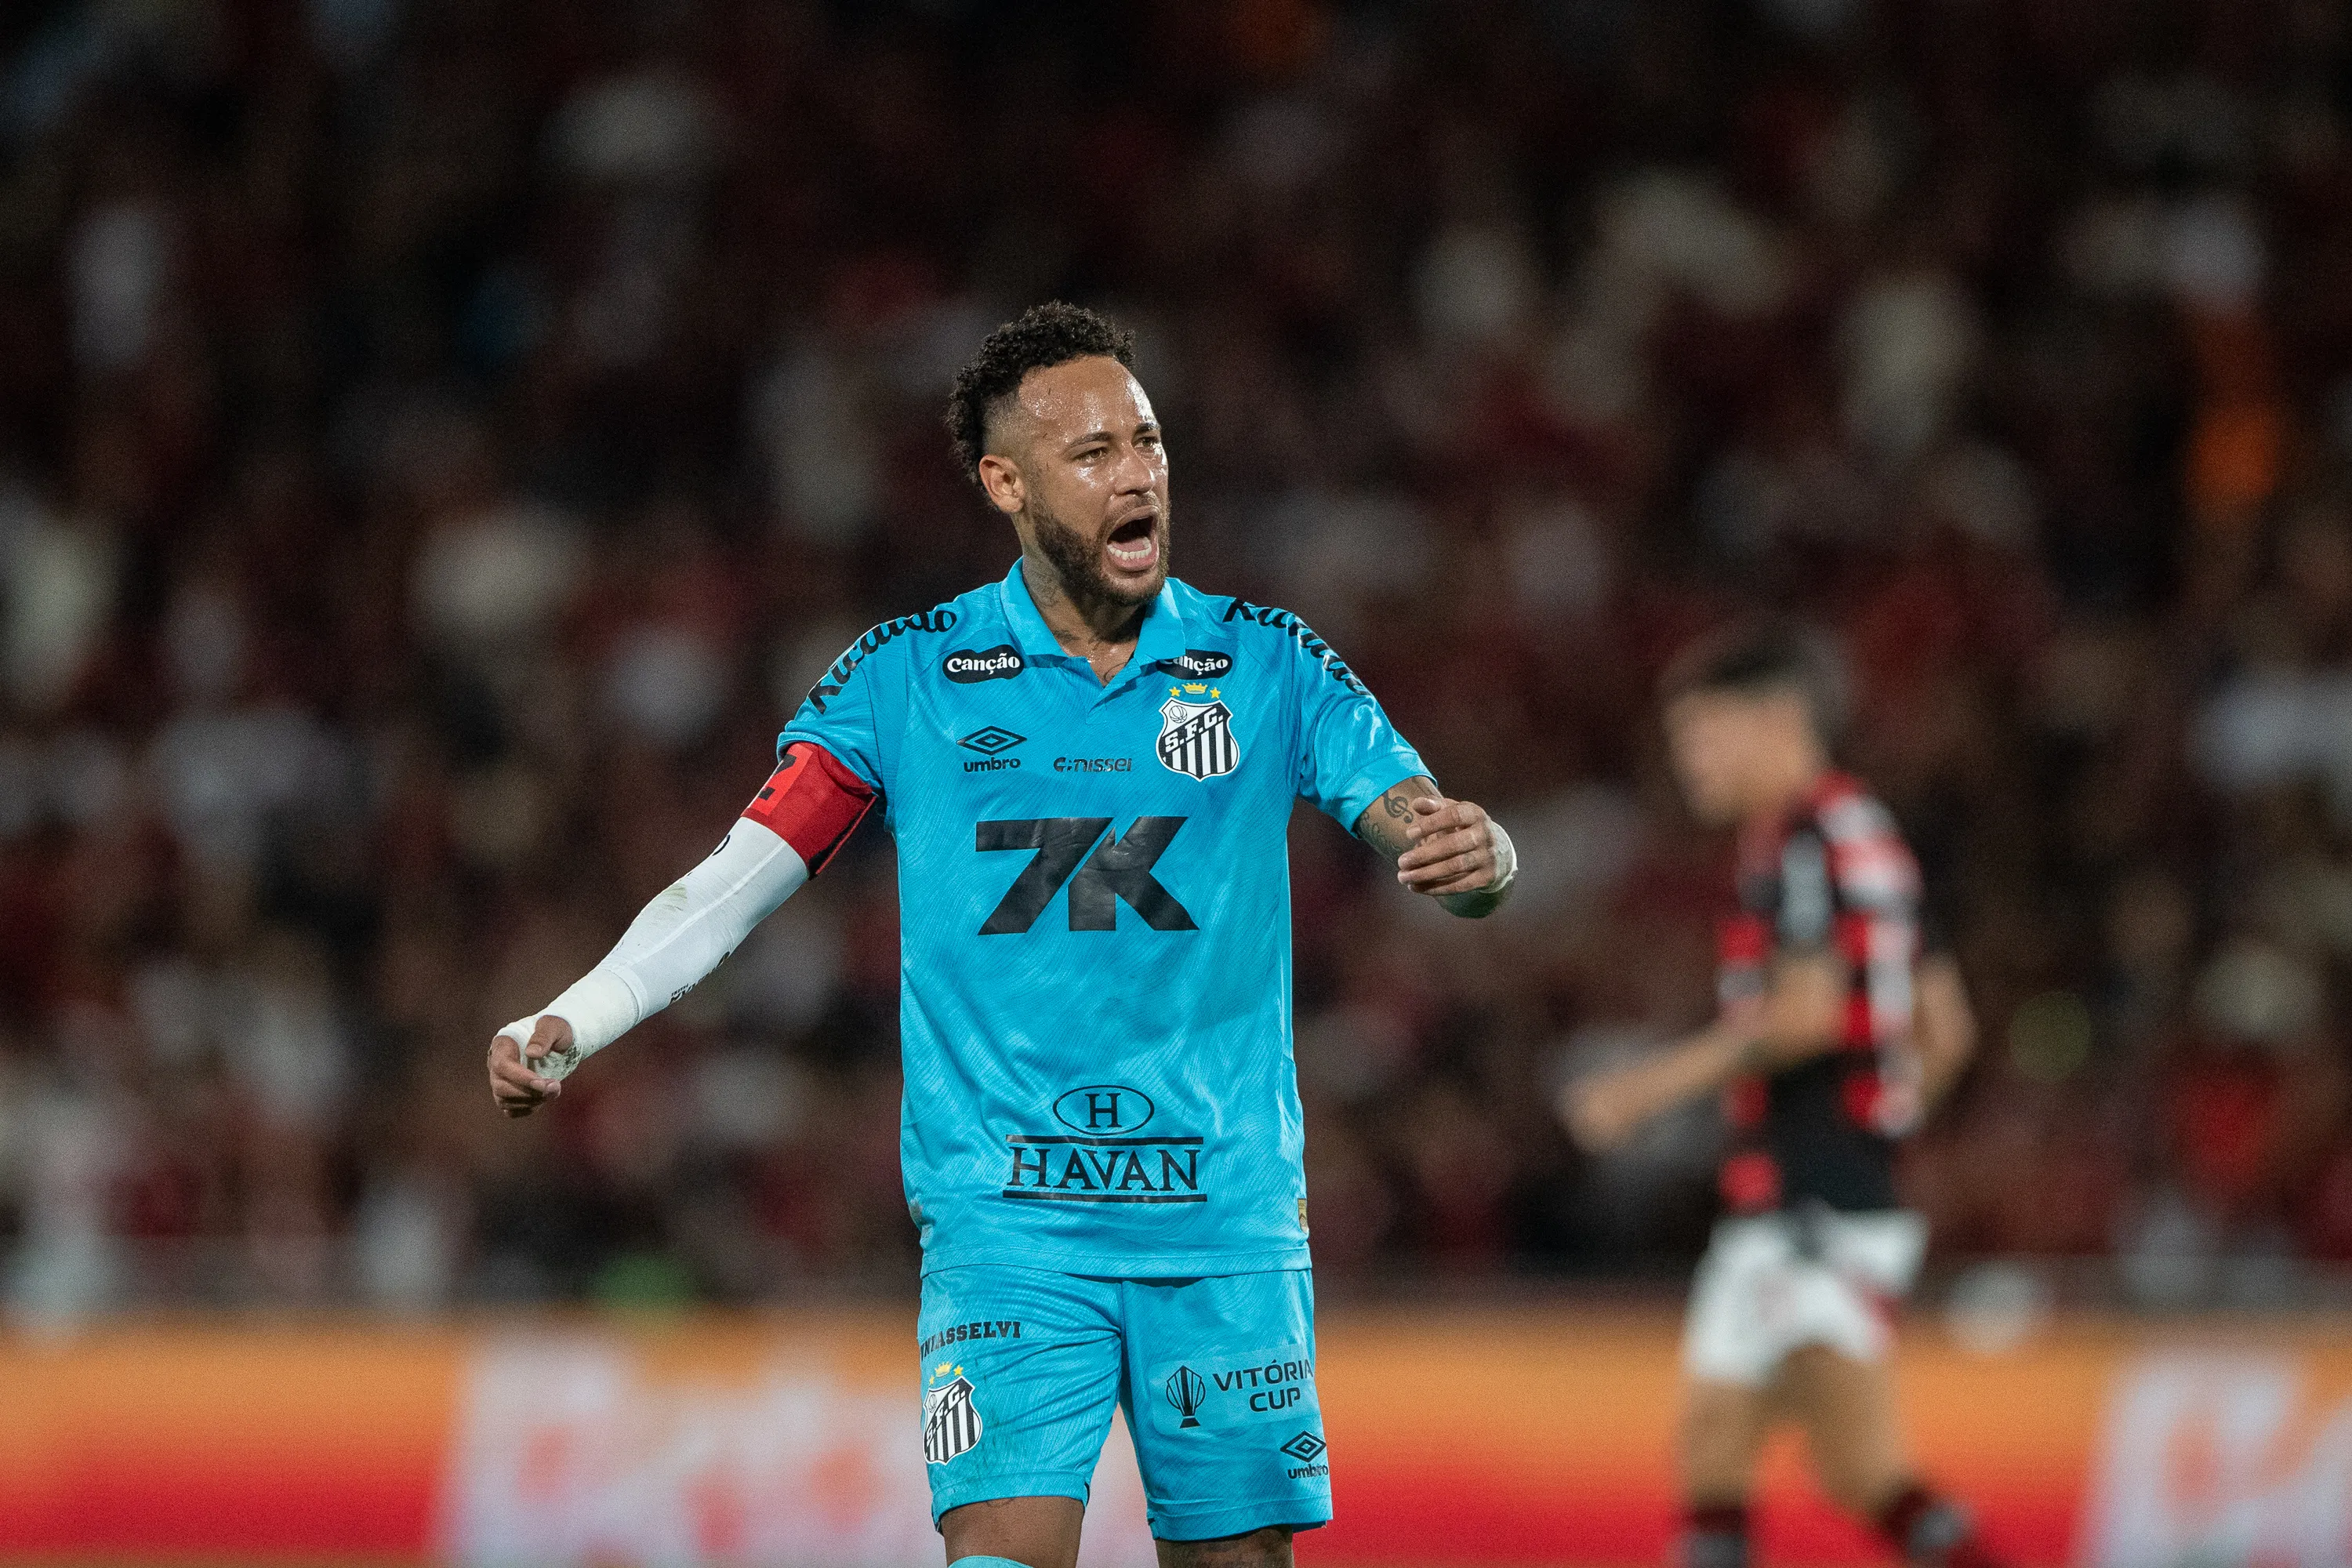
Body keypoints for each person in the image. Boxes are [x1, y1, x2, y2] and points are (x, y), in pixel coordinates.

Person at [485, 303, 1516, 1568]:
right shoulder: (907, 675)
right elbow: (740, 878)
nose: (1136, 474)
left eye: (1146, 443)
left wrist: (1483, 857)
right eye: (1093, 455)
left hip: (1224, 1221)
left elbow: (1429, 830)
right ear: (1006, 482)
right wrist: (578, 1016)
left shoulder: (1269, 664)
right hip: (1010, 1228)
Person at [1563, 622, 1994, 1568]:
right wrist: (1884, 1122)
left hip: (1809, 1197)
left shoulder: (1804, 837)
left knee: (1818, 1462)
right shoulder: (1862, 829)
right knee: (1804, 1462)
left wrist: (1646, 1088)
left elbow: (1803, 1016)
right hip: (1831, 1187)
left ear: (1775, 718)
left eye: (1702, 735)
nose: (1689, 763)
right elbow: (1947, 1024)